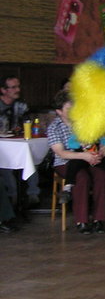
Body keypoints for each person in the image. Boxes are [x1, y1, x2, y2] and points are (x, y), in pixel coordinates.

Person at [47, 90, 105, 234]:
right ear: (59, 111)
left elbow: (103, 139)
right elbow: (61, 152)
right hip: (66, 162)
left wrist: (103, 150)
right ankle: (81, 220)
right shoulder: (54, 127)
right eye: (69, 108)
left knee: (102, 175)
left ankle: (99, 219)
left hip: (90, 158)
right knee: (81, 177)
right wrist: (83, 156)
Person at [0, 76, 40, 206]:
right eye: (13, 87)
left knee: (31, 159)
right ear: (3, 90)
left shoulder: (21, 105)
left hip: (18, 142)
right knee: (4, 163)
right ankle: (13, 196)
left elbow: (27, 122)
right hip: (2, 145)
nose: (18, 90)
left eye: (18, 86)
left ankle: (33, 194)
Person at [57, 132, 105, 205]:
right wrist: (80, 143)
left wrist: (104, 149)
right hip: (82, 157)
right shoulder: (78, 132)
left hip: (96, 156)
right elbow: (71, 144)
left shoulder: (99, 133)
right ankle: (67, 189)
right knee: (72, 164)